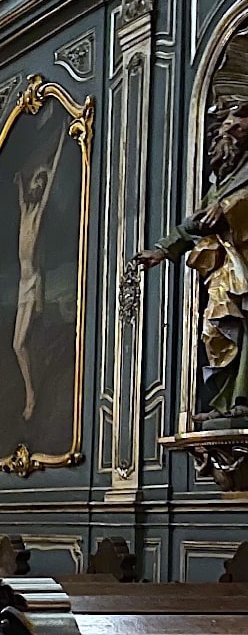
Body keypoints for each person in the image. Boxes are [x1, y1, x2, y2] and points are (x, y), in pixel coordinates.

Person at [139, 99, 248, 417]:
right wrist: (162, 250)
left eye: (237, 127)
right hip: (223, 269)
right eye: (226, 127)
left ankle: (241, 401)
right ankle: (223, 402)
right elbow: (195, 223)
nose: (229, 132)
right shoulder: (223, 180)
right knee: (216, 331)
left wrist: (229, 208)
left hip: (243, 264)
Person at [12, 138, 64, 422]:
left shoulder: (38, 214)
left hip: (33, 284)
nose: (37, 186)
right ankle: (31, 389)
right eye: (36, 181)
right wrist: (19, 182)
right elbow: (22, 195)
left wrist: (60, 146)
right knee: (18, 345)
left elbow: (52, 175)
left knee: (20, 343)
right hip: (22, 286)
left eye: (40, 183)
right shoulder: (25, 212)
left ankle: (31, 396)